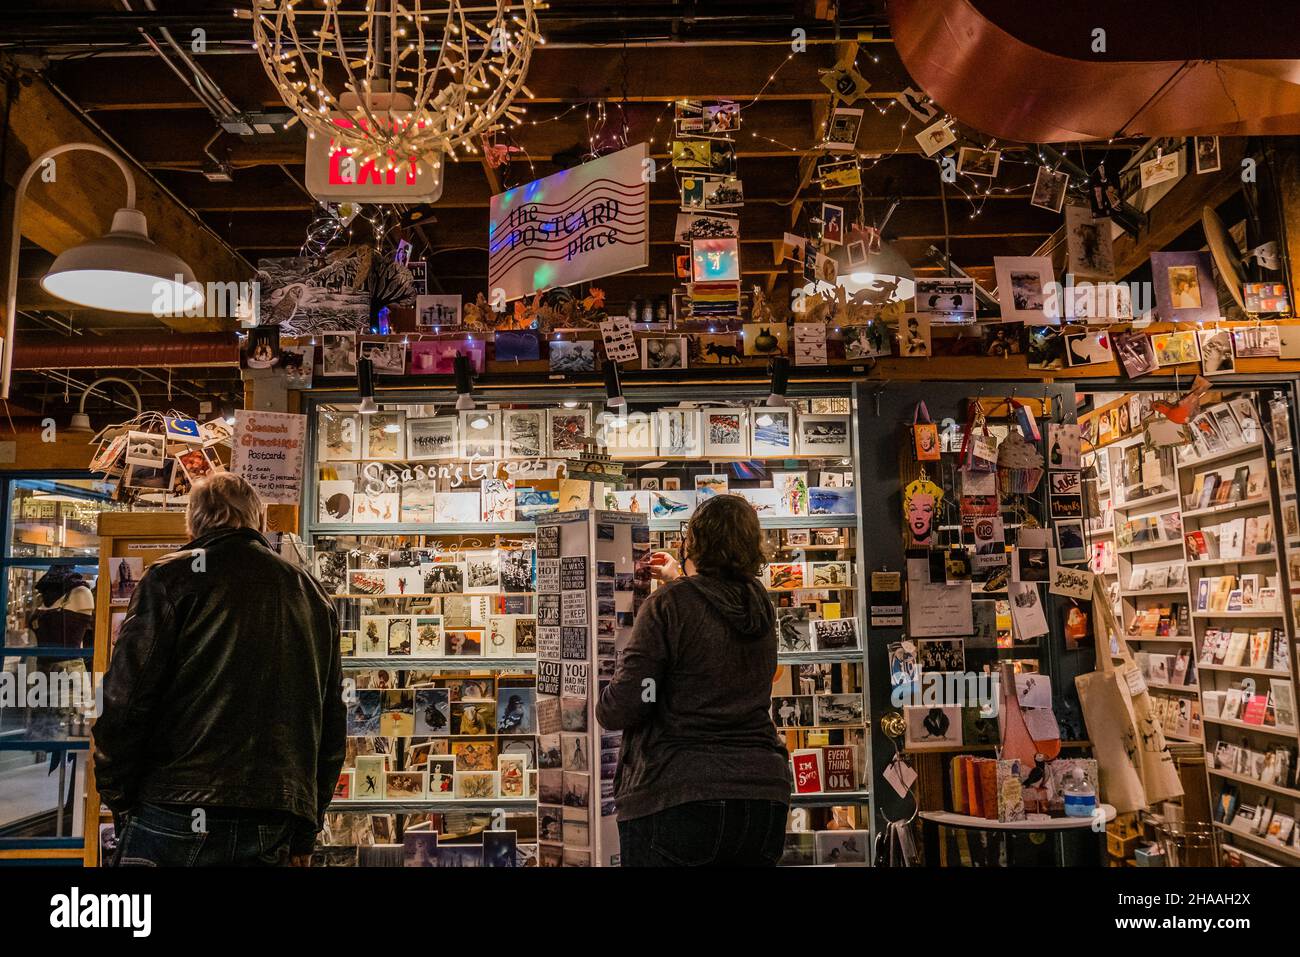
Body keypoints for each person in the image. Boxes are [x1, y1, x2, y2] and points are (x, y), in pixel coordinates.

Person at [93, 473, 345, 866]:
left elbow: (124, 701)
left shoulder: (169, 578)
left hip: (172, 806)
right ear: (260, 522)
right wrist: (304, 832)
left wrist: (118, 795)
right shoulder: (311, 593)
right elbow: (331, 723)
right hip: (272, 815)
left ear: (193, 522)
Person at [597, 494, 792, 866]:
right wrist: (679, 579)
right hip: (762, 794)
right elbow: (712, 613)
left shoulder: (669, 604)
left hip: (678, 792)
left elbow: (630, 700)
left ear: (694, 541)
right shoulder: (759, 603)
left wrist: (600, 697)